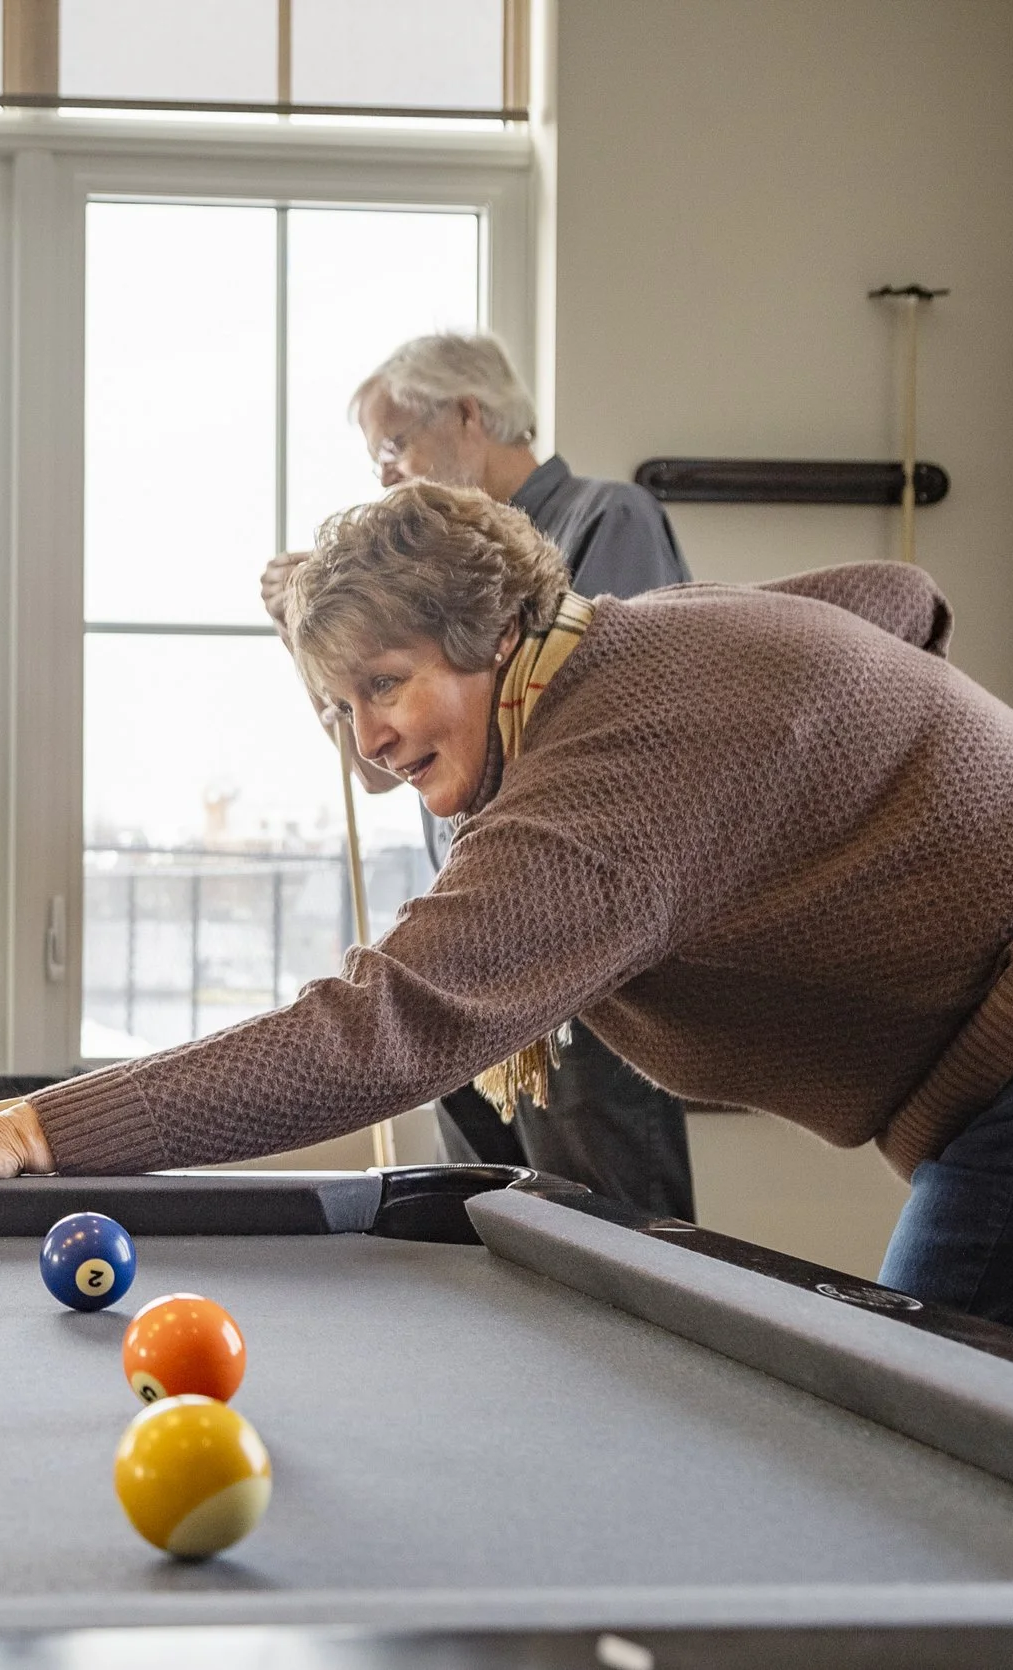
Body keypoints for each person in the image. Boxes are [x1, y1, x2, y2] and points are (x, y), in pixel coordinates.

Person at [0, 482, 1013, 1390]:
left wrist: (34, 1130)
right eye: (338, 712)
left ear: (488, 629)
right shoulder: (647, 645)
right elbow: (895, 600)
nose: (366, 745)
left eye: (385, 684)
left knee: (939, 1447)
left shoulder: (622, 739)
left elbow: (387, 1026)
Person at [261, 332, 696, 1219]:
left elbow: (602, 732)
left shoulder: (606, 518)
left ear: (468, 415)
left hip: (583, 960)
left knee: (617, 1245)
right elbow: (377, 774)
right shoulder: (431, 592)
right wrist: (315, 642)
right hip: (477, 954)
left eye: (394, 446)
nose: (385, 476)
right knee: (488, 1232)